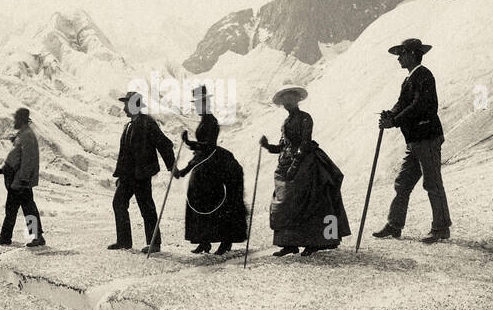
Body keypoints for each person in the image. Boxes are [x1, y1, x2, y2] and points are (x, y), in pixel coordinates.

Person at [373, 37, 452, 244]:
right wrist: (390, 115)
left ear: (412, 54)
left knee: (432, 183)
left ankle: (441, 228)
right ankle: (394, 224)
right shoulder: (410, 78)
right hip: (416, 140)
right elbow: (402, 103)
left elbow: (419, 105)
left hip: (426, 138)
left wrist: (395, 121)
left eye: (402, 53)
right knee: (403, 183)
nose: (398, 57)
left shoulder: (423, 75)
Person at [259, 85, 351, 257]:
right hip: (287, 164)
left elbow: (304, 143)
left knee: (311, 202)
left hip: (307, 164)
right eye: (285, 100)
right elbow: (282, 146)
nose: (287, 103)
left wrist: (294, 166)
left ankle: (314, 242)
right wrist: (267, 146)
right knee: (285, 202)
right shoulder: (286, 122)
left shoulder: (305, 118)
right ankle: (289, 244)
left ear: (297, 100)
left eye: (290, 99)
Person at [173, 86, 246, 255]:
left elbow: (209, 146)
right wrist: (186, 166)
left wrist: (190, 143)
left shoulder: (211, 121)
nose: (197, 107)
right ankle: (204, 240)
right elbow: (201, 151)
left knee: (216, 201)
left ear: (206, 103)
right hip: (204, 161)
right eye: (196, 104)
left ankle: (225, 241)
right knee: (199, 199)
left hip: (214, 163)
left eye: (199, 104)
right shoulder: (204, 121)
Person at [108, 91, 176, 254]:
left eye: (126, 103)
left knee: (146, 207)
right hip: (127, 176)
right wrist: (119, 175)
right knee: (118, 203)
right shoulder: (128, 126)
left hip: (142, 174)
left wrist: (171, 166)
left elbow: (164, 144)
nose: (124, 107)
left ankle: (154, 243)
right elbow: (123, 154)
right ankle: (124, 241)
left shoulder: (147, 123)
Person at [0, 107, 45, 247]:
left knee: (26, 209)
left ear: (21, 120)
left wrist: (22, 180)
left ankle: (35, 237)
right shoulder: (23, 135)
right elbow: (16, 158)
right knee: (14, 209)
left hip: (20, 182)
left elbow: (28, 161)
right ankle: (7, 237)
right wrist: (2, 170)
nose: (14, 121)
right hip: (16, 180)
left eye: (16, 118)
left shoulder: (27, 136)